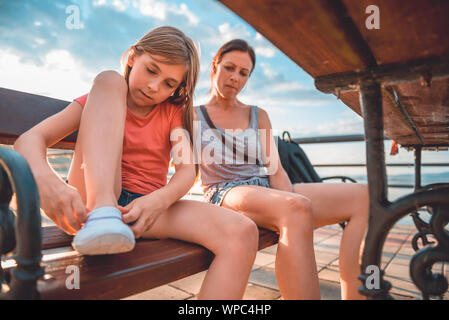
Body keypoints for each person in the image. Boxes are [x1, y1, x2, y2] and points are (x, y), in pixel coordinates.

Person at [14, 27, 259, 300]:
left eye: (169, 83)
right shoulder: (101, 98)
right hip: (93, 204)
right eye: (151, 70)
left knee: (243, 232)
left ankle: (112, 216)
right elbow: (28, 140)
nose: (155, 86)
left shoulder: (173, 111)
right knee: (109, 79)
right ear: (132, 57)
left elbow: (187, 171)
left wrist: (158, 201)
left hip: (144, 210)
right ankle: (103, 212)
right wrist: (50, 184)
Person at [194, 39, 369, 300]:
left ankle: (355, 296)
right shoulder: (193, 115)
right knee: (294, 208)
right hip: (226, 192)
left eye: (244, 73)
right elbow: (182, 170)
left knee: (363, 196)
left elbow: (275, 169)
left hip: (267, 188)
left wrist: (292, 200)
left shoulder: (258, 114)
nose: (235, 78)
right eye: (229, 68)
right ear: (214, 66)